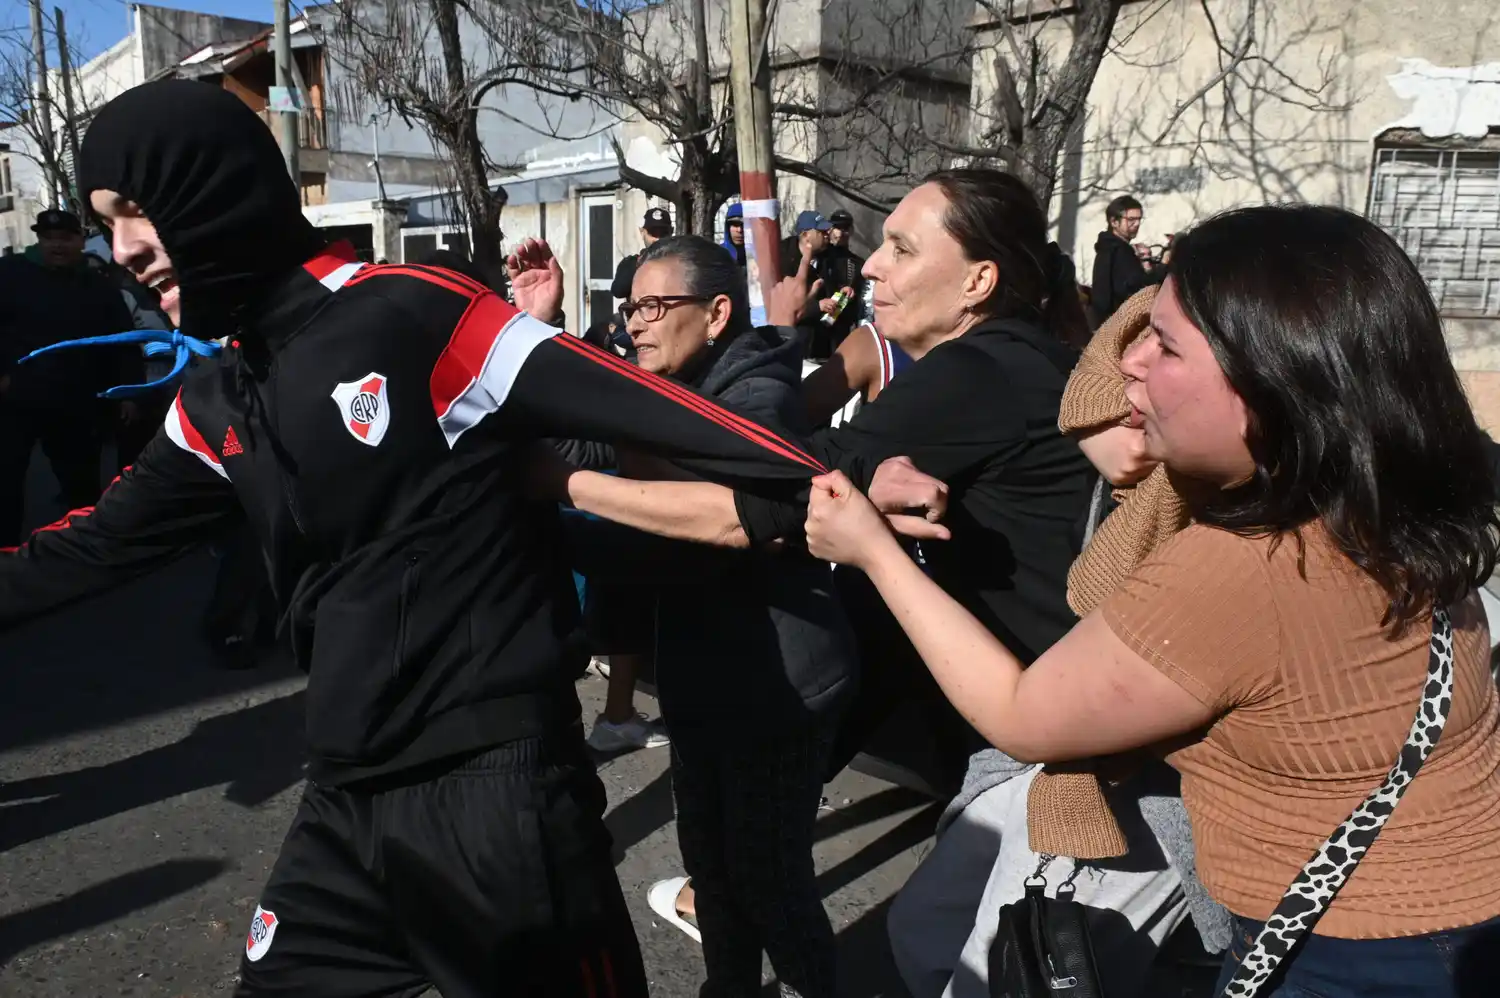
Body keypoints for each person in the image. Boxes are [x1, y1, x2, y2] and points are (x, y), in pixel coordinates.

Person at [0, 79, 841, 998]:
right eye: (106, 224)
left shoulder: (413, 311)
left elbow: (690, 424)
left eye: (135, 211)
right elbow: (86, 548)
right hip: (342, 802)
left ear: (211, 189)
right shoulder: (217, 397)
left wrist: (839, 486)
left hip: (500, 800)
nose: (123, 249)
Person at [803, 203, 1500, 998]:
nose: (1130, 361)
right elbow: (1107, 370)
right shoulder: (1391, 506)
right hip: (1446, 910)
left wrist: (875, 552)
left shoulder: (1245, 566)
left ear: (1277, 379)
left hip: (1353, 954)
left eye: (1165, 346)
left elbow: (1021, 713)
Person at [545, 234, 856, 998]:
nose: (635, 322)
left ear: (716, 314)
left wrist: (556, 515)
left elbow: (701, 534)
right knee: (713, 874)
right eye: (630, 307)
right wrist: (542, 327)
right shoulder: (678, 385)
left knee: (770, 886)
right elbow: (588, 434)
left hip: (776, 690)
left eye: (654, 306)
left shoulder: (755, 397)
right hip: (708, 685)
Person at [0, 208, 138, 546]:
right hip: (17, 399)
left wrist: (128, 391)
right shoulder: (10, 274)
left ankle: (85, 550)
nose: (56, 245)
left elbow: (123, 340)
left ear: (81, 241)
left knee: (82, 485)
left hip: (76, 401)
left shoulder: (97, 286)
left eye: (65, 238)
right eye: (49, 238)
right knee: (6, 483)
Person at [1090, 194, 1150, 324]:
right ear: (1114, 222)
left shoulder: (1115, 247)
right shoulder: (1116, 250)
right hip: (1118, 325)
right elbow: (1133, 288)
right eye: (1131, 219)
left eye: (1139, 219)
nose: (1137, 224)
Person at [820, 209, 866, 348]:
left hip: (842, 329)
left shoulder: (857, 263)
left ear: (851, 231)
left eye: (845, 228)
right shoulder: (819, 257)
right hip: (815, 326)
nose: (840, 233)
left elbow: (861, 299)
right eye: (837, 227)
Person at [611, 206, 673, 301]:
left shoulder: (681, 262)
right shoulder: (632, 264)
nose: (657, 239)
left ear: (671, 232)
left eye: (663, 233)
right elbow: (618, 291)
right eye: (653, 233)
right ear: (642, 232)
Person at [721, 202, 747, 268]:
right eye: (735, 225)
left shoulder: (760, 256)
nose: (740, 230)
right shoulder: (717, 255)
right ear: (728, 227)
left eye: (744, 225)